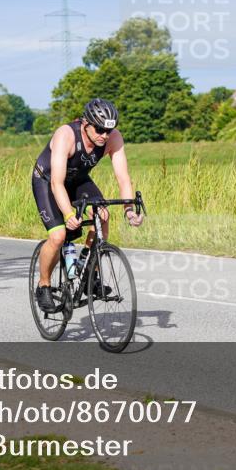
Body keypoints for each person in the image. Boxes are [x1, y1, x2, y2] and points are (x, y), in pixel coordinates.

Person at [31, 98, 143, 312]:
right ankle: (43, 285)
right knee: (58, 236)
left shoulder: (113, 138)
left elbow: (123, 178)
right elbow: (56, 183)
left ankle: (90, 273)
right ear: (86, 124)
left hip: (78, 180)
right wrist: (67, 213)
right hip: (47, 181)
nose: (104, 136)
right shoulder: (66, 135)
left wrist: (129, 211)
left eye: (109, 131)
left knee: (102, 214)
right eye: (100, 130)